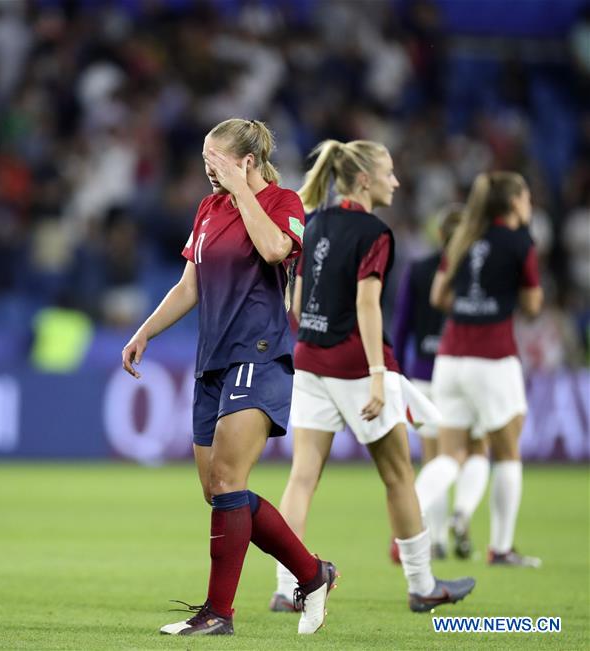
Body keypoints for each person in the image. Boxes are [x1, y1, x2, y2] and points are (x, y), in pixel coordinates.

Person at [122, 119, 336, 637]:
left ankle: (219, 613)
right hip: (212, 358)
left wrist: (242, 189)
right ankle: (313, 573)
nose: (207, 169)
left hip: (260, 354)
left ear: (246, 161)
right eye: (203, 160)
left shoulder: (285, 204)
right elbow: (189, 285)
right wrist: (145, 331)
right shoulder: (208, 209)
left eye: (215, 160)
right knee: (218, 493)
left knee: (227, 483)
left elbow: (273, 251)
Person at [270, 139, 476, 615]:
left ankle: (286, 588)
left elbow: (296, 306)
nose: (396, 181)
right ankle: (423, 585)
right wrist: (379, 376)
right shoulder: (375, 233)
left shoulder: (314, 222)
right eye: (389, 172)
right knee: (399, 475)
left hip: (309, 361)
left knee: (302, 478)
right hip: (357, 367)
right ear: (365, 179)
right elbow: (367, 304)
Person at [416, 172, 543, 568]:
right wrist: (501, 297)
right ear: (514, 202)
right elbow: (534, 305)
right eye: (526, 196)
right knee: (505, 452)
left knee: (450, 454)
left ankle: (407, 515)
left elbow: (439, 296)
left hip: (451, 358)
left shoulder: (463, 236)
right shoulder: (521, 241)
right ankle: (501, 548)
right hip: (493, 357)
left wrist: (470, 301)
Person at [393, 207, 490, 561]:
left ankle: (434, 541)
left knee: (434, 457)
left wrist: (399, 374)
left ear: (439, 235)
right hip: (466, 371)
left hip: (423, 375)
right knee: (476, 449)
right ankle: (461, 515)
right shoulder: (474, 272)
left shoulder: (418, 270)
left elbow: (401, 325)